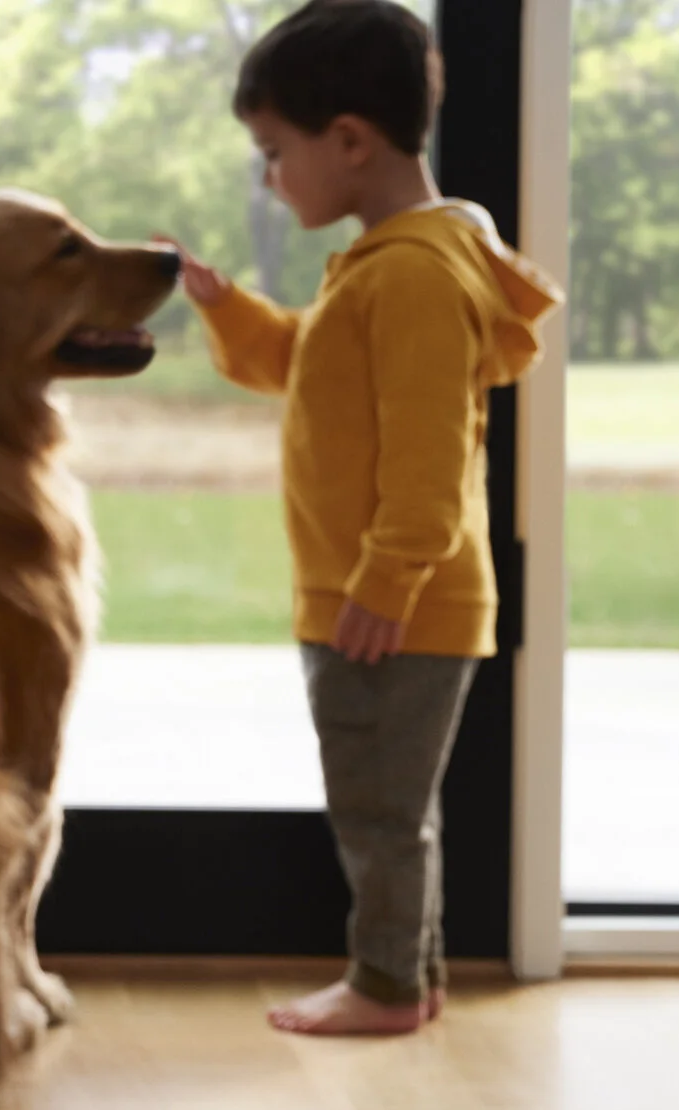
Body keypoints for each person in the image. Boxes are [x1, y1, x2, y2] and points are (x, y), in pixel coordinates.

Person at [165, 0, 562, 1034]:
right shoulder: (389, 266)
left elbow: (433, 458)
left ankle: (384, 986)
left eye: (272, 151)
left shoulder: (417, 279)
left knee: (379, 812)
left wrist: (384, 583)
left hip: (388, 607)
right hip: (378, 600)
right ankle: (413, 977)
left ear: (348, 140)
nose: (268, 176)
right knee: (390, 809)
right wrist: (225, 308)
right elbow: (303, 361)